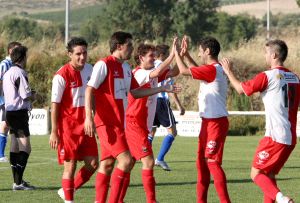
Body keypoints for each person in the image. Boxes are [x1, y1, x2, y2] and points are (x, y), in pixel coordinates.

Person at [84, 32, 179, 203]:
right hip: (106, 123)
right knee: (127, 161)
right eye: (129, 45)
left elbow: (135, 93)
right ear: (119, 46)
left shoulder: (126, 68)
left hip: (121, 124)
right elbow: (89, 89)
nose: (132, 48)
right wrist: (88, 118)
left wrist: (161, 90)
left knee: (107, 165)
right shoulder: (103, 64)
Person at [220, 39, 298, 203]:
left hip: (275, 135)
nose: (264, 55)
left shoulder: (267, 76)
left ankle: (283, 199)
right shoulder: (295, 78)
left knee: (256, 174)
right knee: (268, 175)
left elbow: (241, 89)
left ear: (274, 55)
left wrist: (228, 71)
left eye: (266, 52)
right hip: (290, 137)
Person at [175, 36, 231, 203]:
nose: (199, 54)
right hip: (208, 122)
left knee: (212, 163)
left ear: (207, 51)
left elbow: (185, 71)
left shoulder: (213, 69)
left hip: (216, 122)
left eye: (200, 51)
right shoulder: (213, 69)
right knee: (201, 164)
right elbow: (198, 70)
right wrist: (186, 56)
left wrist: (176, 53)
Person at [124, 40, 180, 203]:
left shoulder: (151, 71)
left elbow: (173, 72)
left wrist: (180, 54)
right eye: (151, 56)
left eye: (155, 56)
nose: (154, 58)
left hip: (142, 125)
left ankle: (117, 199)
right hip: (134, 124)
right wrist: (172, 55)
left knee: (128, 164)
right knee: (148, 161)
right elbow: (156, 73)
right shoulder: (139, 73)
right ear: (141, 57)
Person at [49, 37, 99, 203]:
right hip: (68, 128)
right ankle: (69, 200)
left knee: (93, 164)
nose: (82, 57)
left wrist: (94, 117)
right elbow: (54, 105)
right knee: (70, 167)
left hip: (87, 125)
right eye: (78, 54)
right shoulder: (61, 75)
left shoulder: (90, 69)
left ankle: (66, 191)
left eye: (85, 53)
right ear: (69, 54)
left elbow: (93, 97)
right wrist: (54, 132)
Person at [3, 45, 36, 190]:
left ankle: (17, 181)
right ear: (22, 57)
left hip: (9, 112)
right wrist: (35, 95)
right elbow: (25, 95)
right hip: (19, 114)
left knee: (15, 147)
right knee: (26, 148)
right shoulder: (20, 73)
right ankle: (18, 183)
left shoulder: (8, 72)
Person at [150, 44, 185, 171]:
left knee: (151, 132)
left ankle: (142, 157)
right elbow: (171, 86)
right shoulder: (164, 66)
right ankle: (159, 158)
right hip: (161, 102)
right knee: (172, 132)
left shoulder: (151, 65)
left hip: (151, 101)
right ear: (163, 55)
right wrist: (179, 105)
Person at [0, 41, 22, 162]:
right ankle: (1, 155)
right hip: (5, 100)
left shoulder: (15, 64)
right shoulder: (5, 64)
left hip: (11, 101)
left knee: (7, 126)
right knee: (5, 125)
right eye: (17, 49)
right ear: (10, 51)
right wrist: (2, 100)